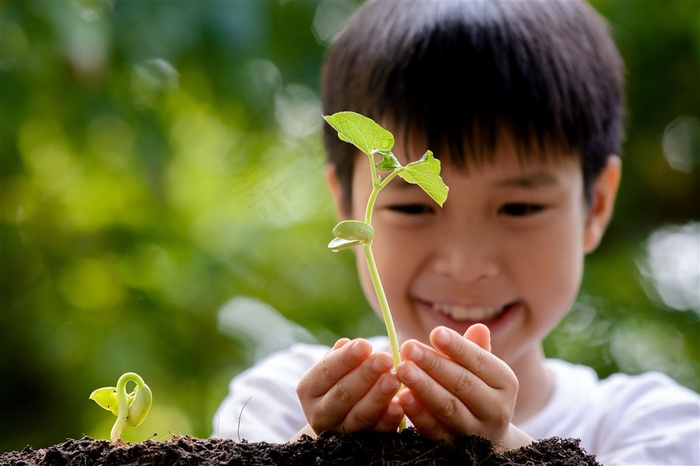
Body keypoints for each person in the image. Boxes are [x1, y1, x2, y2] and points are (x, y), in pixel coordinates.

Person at [213, 0, 700, 463]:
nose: (466, 264)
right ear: (345, 201)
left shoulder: (653, 426)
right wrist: (315, 451)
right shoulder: (277, 401)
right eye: (412, 209)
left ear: (595, 206)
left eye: (519, 207)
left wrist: (507, 452)